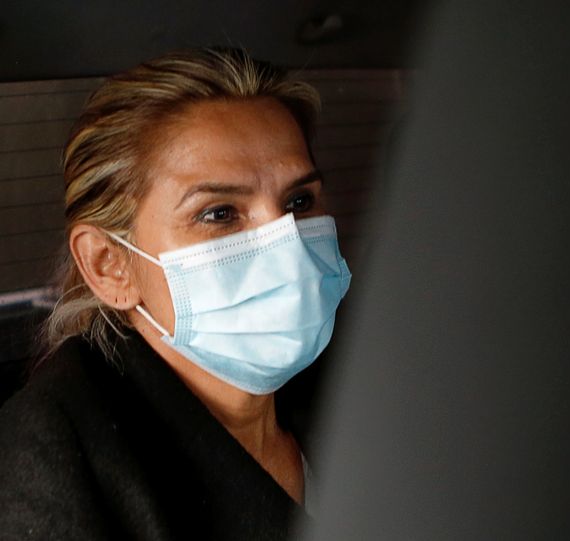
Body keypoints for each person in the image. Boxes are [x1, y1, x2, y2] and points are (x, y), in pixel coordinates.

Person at [0, 48, 351, 540]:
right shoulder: (51, 458)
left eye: (299, 202)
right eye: (219, 213)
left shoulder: (365, 382)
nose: (287, 246)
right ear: (110, 265)